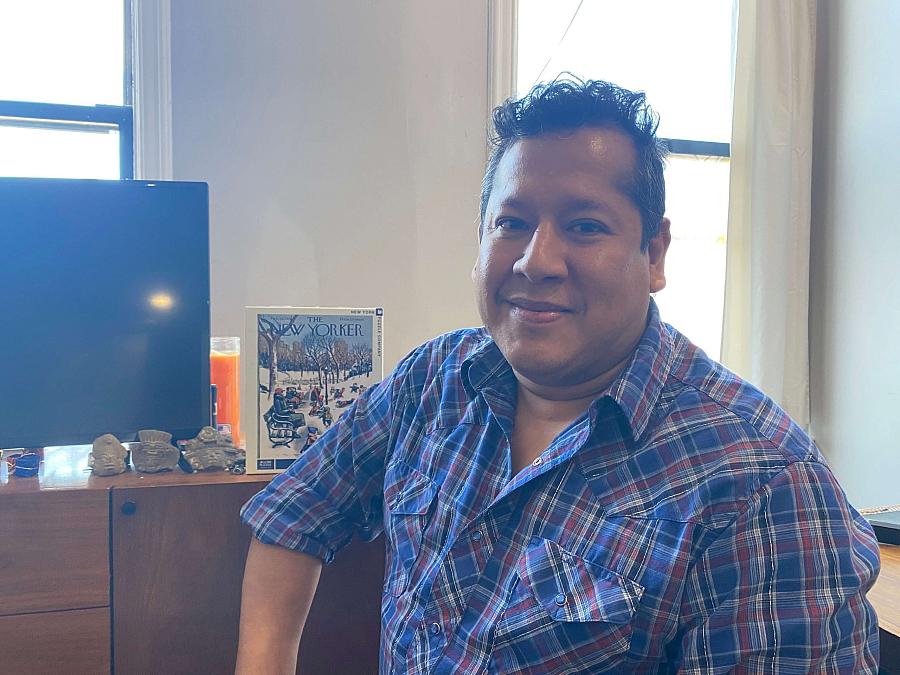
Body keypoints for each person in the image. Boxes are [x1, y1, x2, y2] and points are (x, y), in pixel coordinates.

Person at [236, 78, 880, 674]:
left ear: (653, 254)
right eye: (512, 224)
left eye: (584, 227)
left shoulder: (761, 480)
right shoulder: (432, 380)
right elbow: (294, 518)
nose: (536, 261)